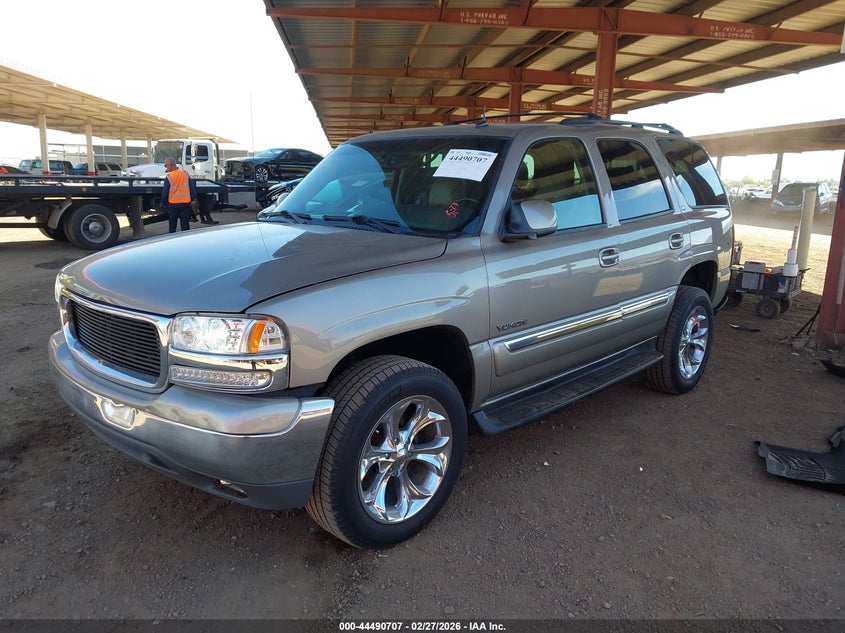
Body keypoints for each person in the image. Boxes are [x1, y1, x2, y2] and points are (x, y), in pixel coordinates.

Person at [161, 157, 197, 233]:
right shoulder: (185, 174)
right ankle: (185, 239)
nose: (166, 168)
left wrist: (163, 202)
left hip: (173, 204)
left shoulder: (169, 177)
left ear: (171, 165)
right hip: (185, 203)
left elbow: (165, 192)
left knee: (172, 223)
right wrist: (194, 198)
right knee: (185, 223)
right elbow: (192, 188)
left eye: (166, 165)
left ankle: (172, 238)